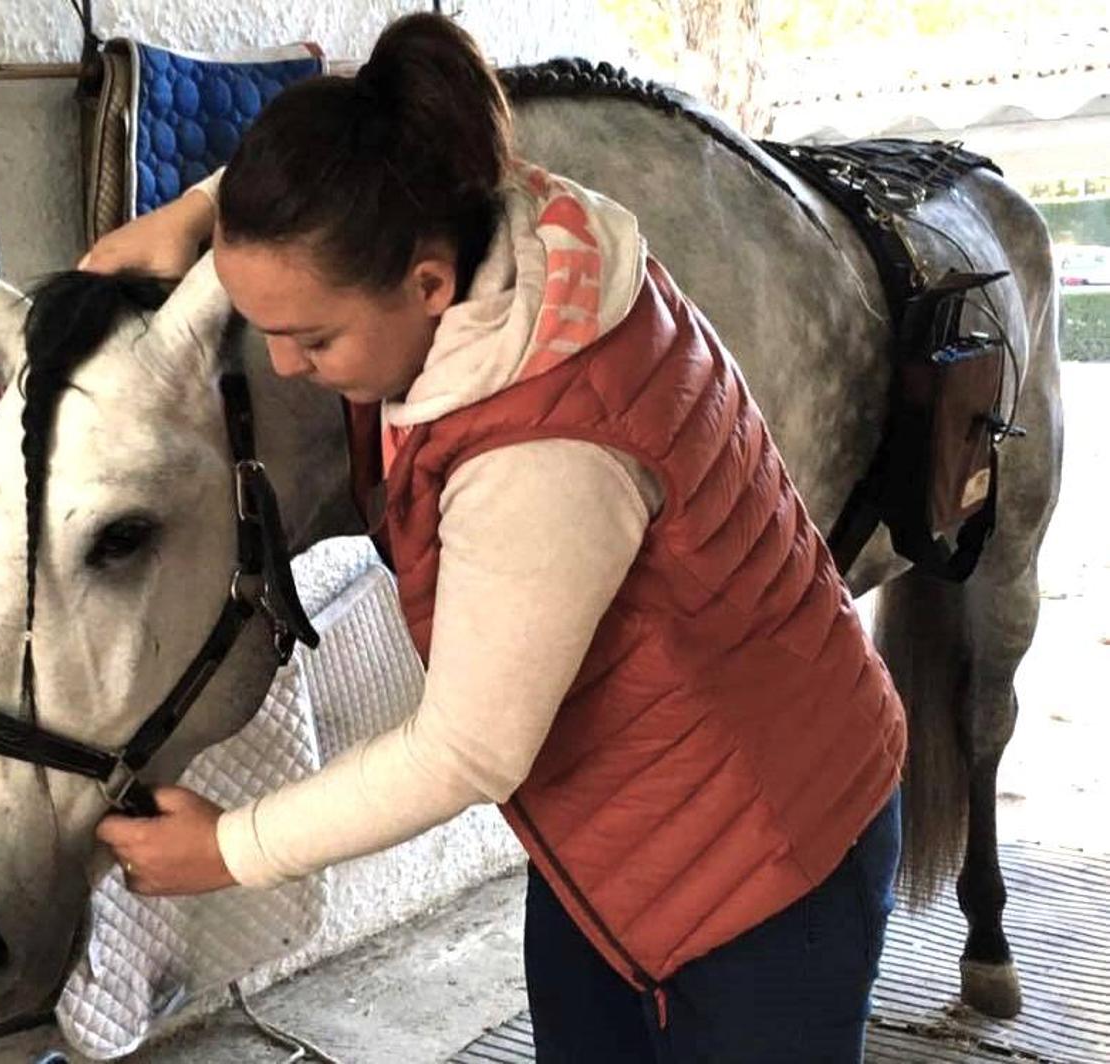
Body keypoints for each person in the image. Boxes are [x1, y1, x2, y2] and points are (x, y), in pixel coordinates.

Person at [89, 13, 906, 1062]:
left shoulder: (545, 450)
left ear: (428, 286)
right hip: (613, 830)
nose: (286, 367)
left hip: (771, 855)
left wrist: (230, 848)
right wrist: (197, 210)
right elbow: (362, 134)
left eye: (313, 337)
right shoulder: (498, 214)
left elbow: (467, 749)